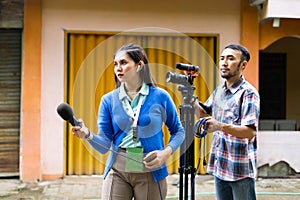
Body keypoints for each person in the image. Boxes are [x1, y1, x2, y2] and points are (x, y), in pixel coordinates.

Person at [71, 43, 185, 200]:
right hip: (118, 169)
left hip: (150, 169)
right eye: (116, 64)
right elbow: (104, 145)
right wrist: (87, 134)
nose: (118, 68)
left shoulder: (160, 96)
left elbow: (179, 130)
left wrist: (165, 153)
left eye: (123, 63)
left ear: (139, 66)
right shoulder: (108, 100)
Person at [194, 44, 260, 200]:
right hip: (221, 164)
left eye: (230, 59)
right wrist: (190, 96)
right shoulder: (219, 91)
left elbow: (250, 131)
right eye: (222, 58)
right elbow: (204, 113)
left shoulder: (248, 93)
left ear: (243, 65)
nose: (224, 63)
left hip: (239, 168)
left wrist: (220, 126)